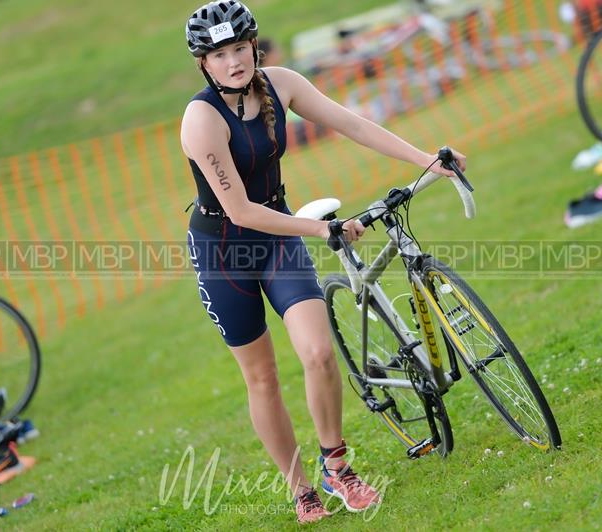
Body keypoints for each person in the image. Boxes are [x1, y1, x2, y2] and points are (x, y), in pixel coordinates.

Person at [181, 0, 465, 524]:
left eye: (239, 48)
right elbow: (240, 209)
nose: (233, 62)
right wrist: (321, 228)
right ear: (204, 63)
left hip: (278, 237)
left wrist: (426, 159)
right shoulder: (201, 119)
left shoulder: (280, 84)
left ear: (254, 45)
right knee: (263, 377)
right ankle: (301, 490)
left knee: (318, 353)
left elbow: (351, 124)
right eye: (219, 54)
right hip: (225, 250)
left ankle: (336, 467)